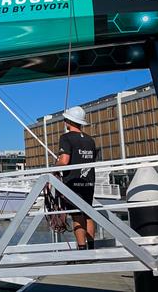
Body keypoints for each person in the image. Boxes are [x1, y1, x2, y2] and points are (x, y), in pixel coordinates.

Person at [56, 106, 97, 250]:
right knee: (88, 213)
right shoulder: (90, 140)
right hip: (88, 181)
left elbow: (64, 160)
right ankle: (91, 247)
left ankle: (81, 249)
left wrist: (55, 166)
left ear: (68, 121)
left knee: (76, 215)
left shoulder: (66, 138)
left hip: (73, 182)